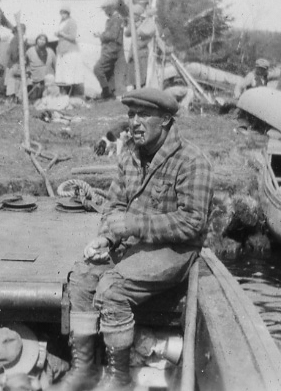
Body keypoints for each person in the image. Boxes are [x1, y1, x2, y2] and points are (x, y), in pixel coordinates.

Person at [54, 88, 213, 391]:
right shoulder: (129, 156)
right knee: (82, 278)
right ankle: (84, 370)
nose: (134, 122)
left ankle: (120, 380)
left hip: (174, 250)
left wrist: (132, 225)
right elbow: (114, 207)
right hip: (132, 245)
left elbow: (192, 223)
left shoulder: (193, 162)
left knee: (112, 289)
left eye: (144, 115)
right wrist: (106, 239)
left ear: (166, 118)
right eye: (131, 114)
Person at [93, 0, 125, 100]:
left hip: (111, 49)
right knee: (109, 72)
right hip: (110, 48)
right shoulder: (113, 18)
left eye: (106, 10)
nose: (105, 13)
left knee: (98, 69)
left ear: (110, 9)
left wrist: (101, 35)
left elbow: (113, 35)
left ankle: (106, 91)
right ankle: (110, 93)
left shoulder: (116, 18)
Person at [54, 4, 84, 97]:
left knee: (69, 71)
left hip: (70, 50)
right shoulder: (61, 21)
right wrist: (58, 34)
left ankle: (72, 92)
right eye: (62, 13)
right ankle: (65, 91)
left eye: (65, 13)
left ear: (68, 13)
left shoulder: (71, 22)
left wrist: (62, 34)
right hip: (62, 49)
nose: (63, 15)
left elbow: (72, 37)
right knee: (63, 71)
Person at [26, 33, 56, 102]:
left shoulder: (50, 51)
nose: (42, 41)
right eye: (40, 39)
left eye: (44, 40)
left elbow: (56, 64)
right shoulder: (30, 50)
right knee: (33, 98)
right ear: (36, 40)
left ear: (46, 42)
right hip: (35, 79)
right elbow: (25, 63)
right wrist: (28, 73)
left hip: (48, 79)